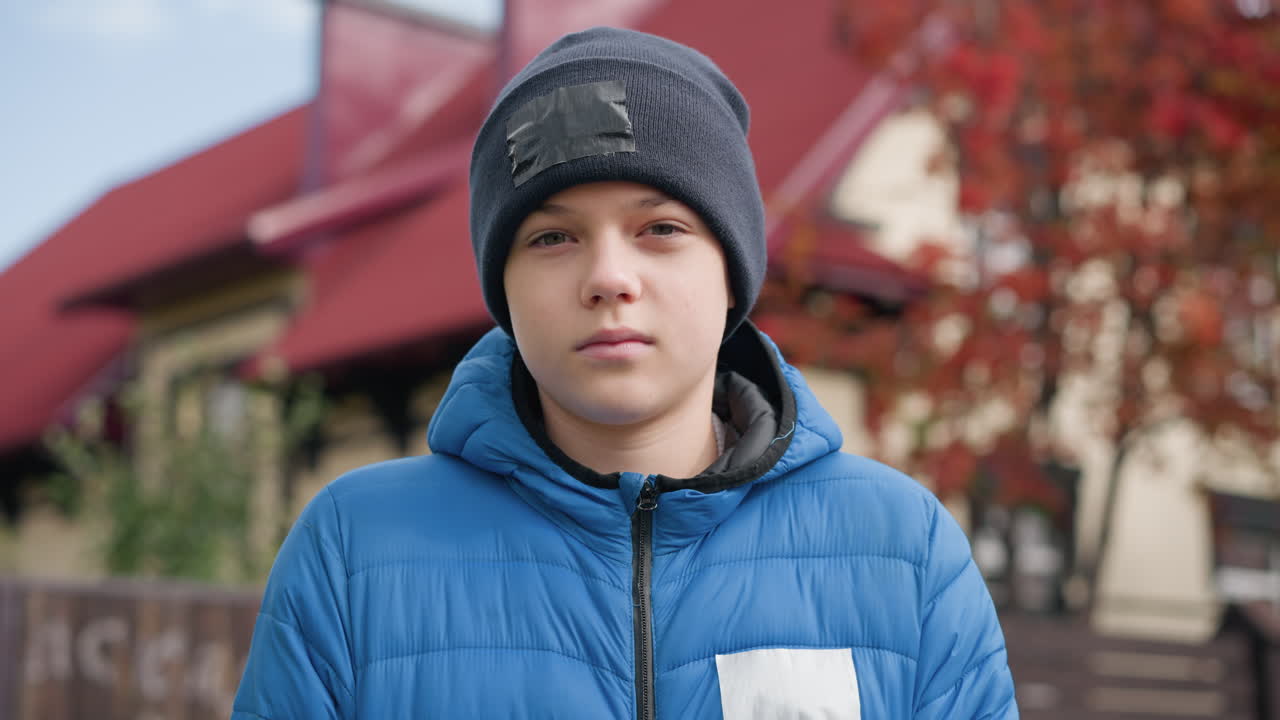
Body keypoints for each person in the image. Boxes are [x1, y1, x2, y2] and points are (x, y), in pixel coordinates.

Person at [231, 26, 1018, 720]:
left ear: (732, 272)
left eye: (661, 228)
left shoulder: (902, 551)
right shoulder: (354, 551)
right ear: (503, 288)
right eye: (552, 238)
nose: (609, 277)